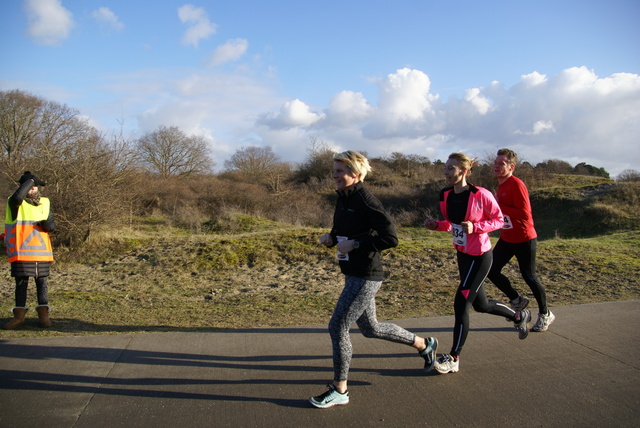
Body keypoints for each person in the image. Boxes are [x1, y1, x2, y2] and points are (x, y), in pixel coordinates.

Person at [309, 150, 437, 409]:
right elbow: (342, 231)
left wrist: (356, 244)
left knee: (337, 327)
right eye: (333, 171)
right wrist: (331, 238)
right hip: (352, 272)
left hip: (366, 275)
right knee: (371, 329)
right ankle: (424, 344)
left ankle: (340, 389)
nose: (334, 175)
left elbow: (390, 238)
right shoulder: (342, 199)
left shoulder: (367, 201)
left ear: (355, 174)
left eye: (339, 171)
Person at [423, 152, 530, 375]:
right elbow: (453, 225)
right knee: (481, 305)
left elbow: (499, 220)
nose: (445, 172)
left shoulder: (481, 194)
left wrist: (476, 227)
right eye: (445, 167)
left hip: (480, 256)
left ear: (463, 170)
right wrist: (437, 225)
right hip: (462, 254)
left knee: (461, 303)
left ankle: (454, 357)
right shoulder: (445, 194)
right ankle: (518, 316)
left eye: (451, 168)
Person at [487, 148, 555, 332]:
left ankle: (545, 314)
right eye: (495, 163)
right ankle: (517, 300)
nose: (496, 166)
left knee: (529, 276)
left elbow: (525, 213)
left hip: (525, 238)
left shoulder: (516, 184)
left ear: (511, 167)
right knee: (491, 270)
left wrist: (499, 206)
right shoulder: (501, 185)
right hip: (507, 238)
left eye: (501, 164)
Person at [3, 171, 56, 329]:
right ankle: (19, 317)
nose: (33, 188)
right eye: (30, 186)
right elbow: (18, 197)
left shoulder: (45, 202)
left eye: (35, 186)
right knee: (21, 284)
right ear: (24, 186)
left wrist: (47, 225)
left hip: (41, 252)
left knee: (42, 284)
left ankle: (44, 315)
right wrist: (31, 180)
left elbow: (51, 224)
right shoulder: (14, 203)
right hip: (21, 252)